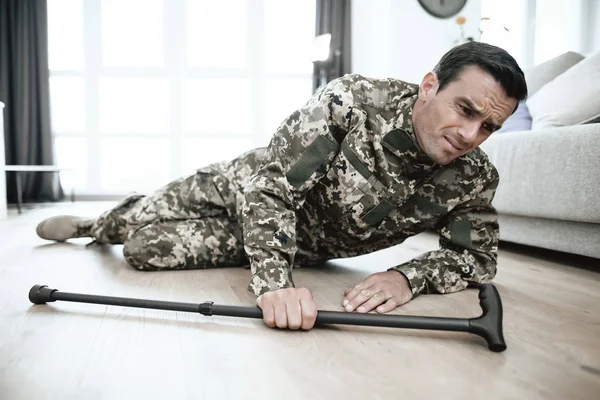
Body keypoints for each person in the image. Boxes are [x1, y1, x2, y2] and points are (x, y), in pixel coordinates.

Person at [36, 42, 527, 331]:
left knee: (143, 250)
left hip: (297, 243)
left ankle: (130, 230)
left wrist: (406, 278)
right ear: (429, 86)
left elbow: (476, 257)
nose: (470, 135)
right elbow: (271, 189)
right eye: (465, 110)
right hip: (241, 186)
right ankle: (95, 223)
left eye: (489, 127)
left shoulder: (474, 178)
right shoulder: (354, 101)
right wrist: (273, 285)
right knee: (131, 223)